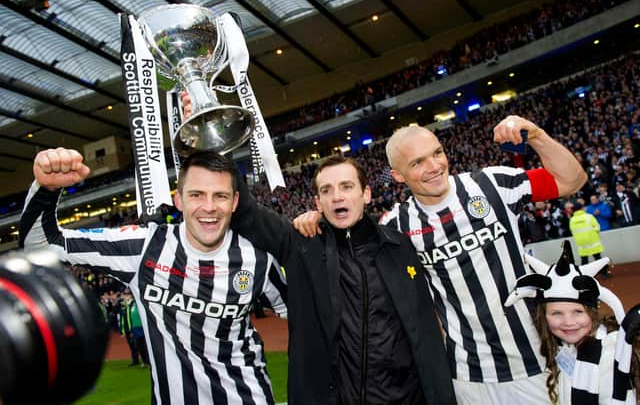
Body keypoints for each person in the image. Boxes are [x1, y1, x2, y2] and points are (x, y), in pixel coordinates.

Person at [294, 115, 587, 404]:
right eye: (417, 162)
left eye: (436, 153)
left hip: (535, 361)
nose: (434, 167)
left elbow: (572, 180)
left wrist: (536, 136)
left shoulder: (492, 184)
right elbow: (351, 235)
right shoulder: (397, 226)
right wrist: (318, 220)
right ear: (398, 175)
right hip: (466, 376)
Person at [20, 147, 287, 405]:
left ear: (235, 202)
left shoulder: (257, 257)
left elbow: (302, 313)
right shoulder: (144, 247)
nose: (209, 207)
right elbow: (44, 245)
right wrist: (46, 190)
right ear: (178, 200)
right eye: (196, 195)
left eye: (220, 196)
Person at [231, 155, 455, 404]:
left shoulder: (399, 245)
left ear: (366, 194)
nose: (337, 196)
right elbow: (243, 211)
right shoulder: (301, 247)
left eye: (347, 187)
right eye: (327, 190)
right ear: (318, 202)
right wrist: (209, 140)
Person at [505, 240, 640, 404]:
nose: (568, 322)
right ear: (543, 316)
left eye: (577, 311)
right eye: (557, 313)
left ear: (591, 312)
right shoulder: (565, 347)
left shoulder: (607, 356)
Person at [568, 200, 609, 277]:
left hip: (582, 243)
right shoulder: (589, 216)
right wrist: (593, 233)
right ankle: (604, 273)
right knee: (598, 259)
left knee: (584, 261)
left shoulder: (572, 220)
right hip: (593, 241)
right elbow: (597, 227)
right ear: (582, 208)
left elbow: (572, 231)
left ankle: (584, 276)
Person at [119, 288, 150, 367]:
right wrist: (123, 330)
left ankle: (147, 361)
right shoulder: (124, 305)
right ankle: (137, 361)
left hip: (138, 328)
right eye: (125, 295)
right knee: (135, 346)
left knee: (142, 345)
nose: (125, 296)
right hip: (131, 329)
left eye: (127, 295)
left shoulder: (135, 303)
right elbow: (123, 319)